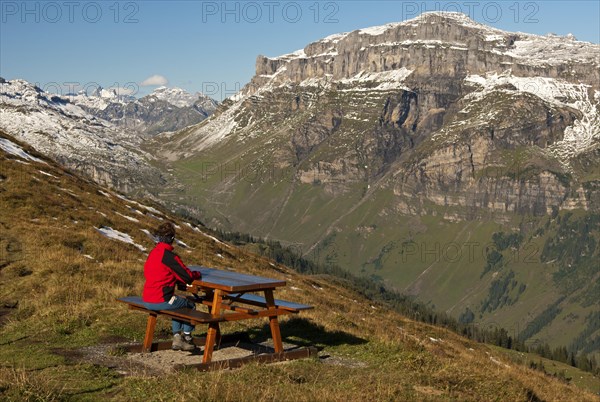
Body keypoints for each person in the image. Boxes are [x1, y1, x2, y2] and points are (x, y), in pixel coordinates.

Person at [142, 222, 201, 351]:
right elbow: (187, 276)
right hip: (160, 299)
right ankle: (187, 337)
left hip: (147, 298)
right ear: (172, 239)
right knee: (190, 303)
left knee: (178, 302)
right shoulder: (169, 256)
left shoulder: (153, 253)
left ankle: (177, 338)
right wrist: (197, 274)